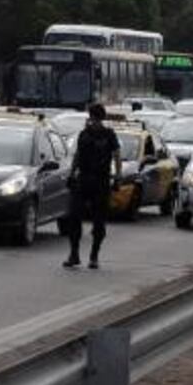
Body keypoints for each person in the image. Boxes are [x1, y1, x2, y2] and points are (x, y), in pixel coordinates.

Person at [64, 103, 122, 270]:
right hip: (83, 179)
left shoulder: (109, 135)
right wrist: (71, 173)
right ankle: (74, 254)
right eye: (91, 118)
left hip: (101, 181)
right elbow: (78, 154)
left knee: (99, 220)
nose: (93, 121)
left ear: (101, 119)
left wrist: (118, 176)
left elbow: (117, 155)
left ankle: (94, 256)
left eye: (96, 118)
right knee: (74, 216)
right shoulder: (84, 134)